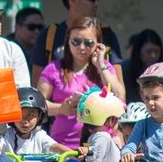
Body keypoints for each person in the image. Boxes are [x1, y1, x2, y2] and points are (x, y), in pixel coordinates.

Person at [37, 15, 122, 148]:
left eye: (88, 43)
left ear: (98, 44)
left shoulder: (104, 67)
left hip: (99, 144)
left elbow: (120, 96)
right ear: (68, 41)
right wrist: (60, 108)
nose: (82, 47)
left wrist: (100, 65)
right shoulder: (54, 68)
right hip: (63, 146)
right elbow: (37, 105)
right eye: (76, 41)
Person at [30, 0, 123, 85]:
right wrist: (63, 103)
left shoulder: (106, 33)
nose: (96, 3)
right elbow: (37, 89)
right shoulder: (49, 35)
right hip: (60, 101)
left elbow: (119, 88)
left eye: (89, 43)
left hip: (99, 101)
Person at [3, 87, 76, 162]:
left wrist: (75, 154)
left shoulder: (39, 135)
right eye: (20, 115)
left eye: (30, 115)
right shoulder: (6, 136)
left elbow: (55, 147)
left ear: (39, 115)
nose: (25, 121)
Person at [121, 28, 163, 95]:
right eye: (148, 51)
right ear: (138, 51)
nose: (153, 56)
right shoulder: (124, 70)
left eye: (157, 51)